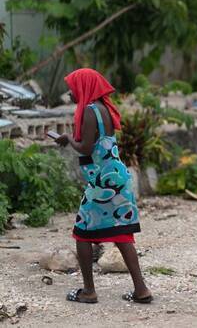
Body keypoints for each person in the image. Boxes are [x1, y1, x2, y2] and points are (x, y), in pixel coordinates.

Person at [55, 68, 152, 304]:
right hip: (117, 176)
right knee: (121, 232)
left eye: (73, 87)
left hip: (103, 182)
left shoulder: (90, 111)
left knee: (82, 232)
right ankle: (141, 290)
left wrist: (68, 139)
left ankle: (89, 291)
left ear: (84, 87)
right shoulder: (104, 108)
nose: (70, 92)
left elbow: (87, 148)